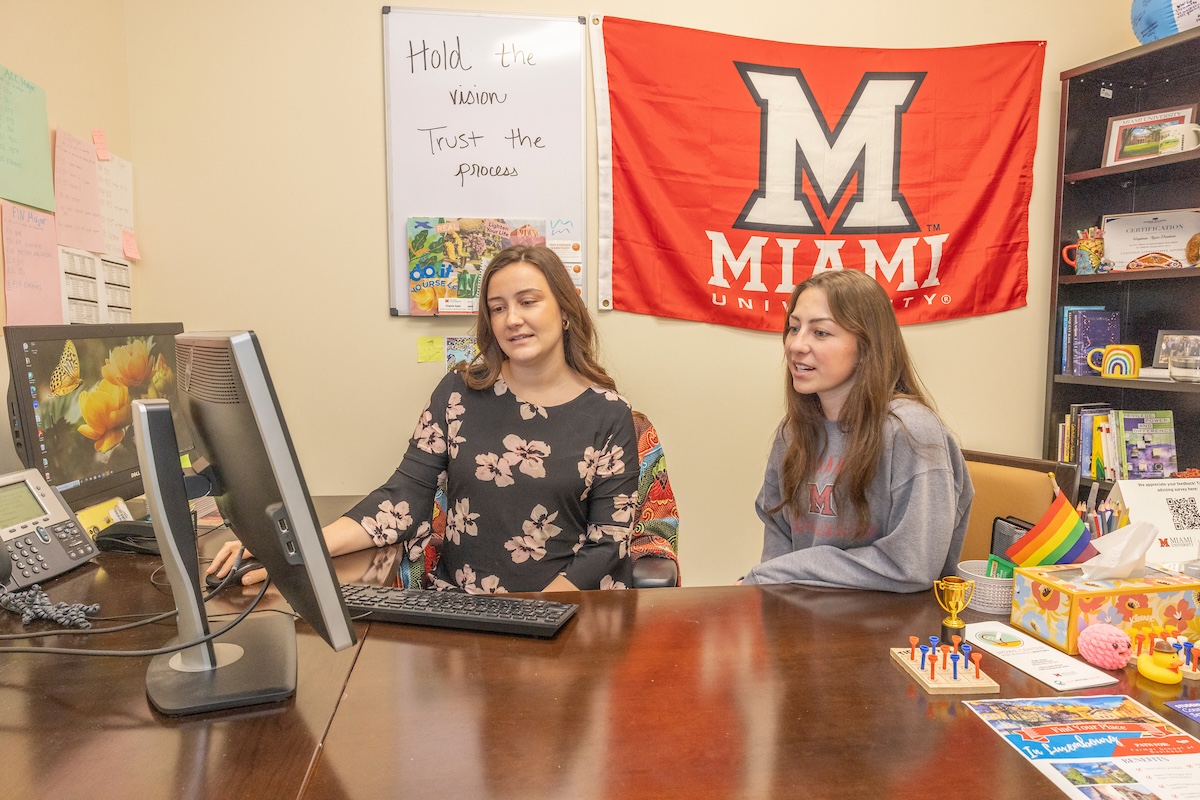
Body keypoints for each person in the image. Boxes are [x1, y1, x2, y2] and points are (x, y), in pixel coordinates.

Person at [208, 245, 638, 592]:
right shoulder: (459, 393)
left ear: (564, 311)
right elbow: (403, 497)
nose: (513, 319)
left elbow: (608, 542)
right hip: (459, 606)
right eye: (497, 307)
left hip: (564, 612)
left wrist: (537, 612)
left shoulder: (609, 415)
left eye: (528, 302)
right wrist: (292, 547)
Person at [741, 269, 973, 591]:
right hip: (802, 617)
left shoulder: (910, 431)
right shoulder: (792, 431)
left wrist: (780, 573)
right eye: (793, 328)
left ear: (865, 347)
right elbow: (778, 529)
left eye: (820, 332)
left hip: (890, 627)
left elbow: (912, 566)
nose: (796, 345)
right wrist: (771, 590)